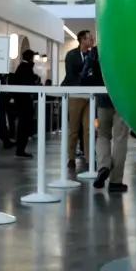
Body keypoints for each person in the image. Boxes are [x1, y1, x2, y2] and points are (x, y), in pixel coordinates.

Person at [90, 48, 130, 193]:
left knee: (102, 135)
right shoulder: (124, 47)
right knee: (120, 139)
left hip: (102, 99)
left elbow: (86, 73)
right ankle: (115, 181)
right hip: (121, 99)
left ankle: (103, 167)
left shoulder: (96, 51)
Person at [62, 29, 96, 170]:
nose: (91, 40)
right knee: (74, 129)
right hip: (75, 95)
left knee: (89, 129)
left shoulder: (92, 55)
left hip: (89, 96)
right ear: (82, 40)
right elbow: (71, 75)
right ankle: (71, 158)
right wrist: (84, 79)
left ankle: (89, 158)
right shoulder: (72, 55)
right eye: (89, 38)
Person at [7, 50, 41, 158]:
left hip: (21, 101)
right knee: (24, 125)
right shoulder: (26, 68)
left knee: (23, 125)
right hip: (24, 102)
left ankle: (20, 148)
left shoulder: (21, 67)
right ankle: (21, 149)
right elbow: (28, 83)